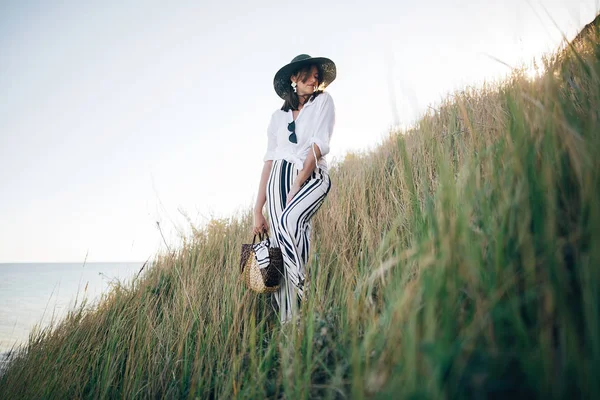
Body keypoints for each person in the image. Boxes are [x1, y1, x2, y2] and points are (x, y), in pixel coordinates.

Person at [252, 54, 336, 323]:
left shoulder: (323, 102)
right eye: (309, 74)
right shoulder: (277, 118)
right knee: (285, 245)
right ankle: (292, 324)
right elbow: (268, 163)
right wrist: (257, 209)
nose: (315, 79)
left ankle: (306, 292)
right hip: (276, 183)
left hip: (308, 177)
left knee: (289, 223)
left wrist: (299, 181)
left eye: (317, 75)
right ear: (293, 79)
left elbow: (318, 144)